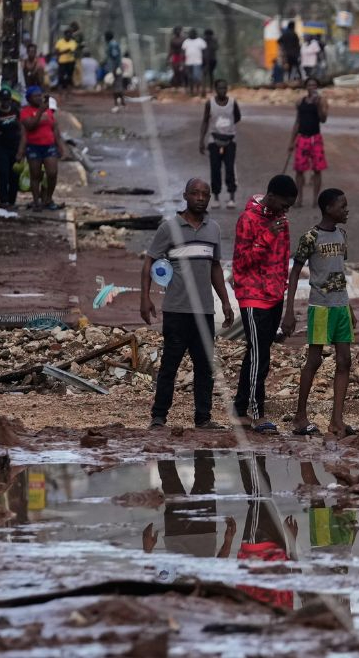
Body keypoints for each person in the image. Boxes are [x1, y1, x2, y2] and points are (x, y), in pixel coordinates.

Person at [141, 178, 234, 430]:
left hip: (204, 311)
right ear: (185, 196)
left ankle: (203, 418)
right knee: (169, 366)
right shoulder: (169, 228)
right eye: (195, 193)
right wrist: (144, 297)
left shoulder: (213, 229)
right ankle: (159, 417)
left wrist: (226, 301)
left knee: (204, 367)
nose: (200, 198)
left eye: (205, 194)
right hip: (176, 310)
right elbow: (149, 262)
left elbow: (215, 267)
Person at [282, 188, 356, 437]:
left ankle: (337, 421)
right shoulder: (310, 238)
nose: (346, 210)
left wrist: (349, 308)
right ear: (328, 208)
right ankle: (300, 417)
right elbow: (295, 273)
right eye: (342, 206)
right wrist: (289, 310)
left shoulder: (342, 235)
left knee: (345, 361)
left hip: (341, 306)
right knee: (314, 360)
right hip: (321, 307)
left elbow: (339, 274)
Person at [231, 175, 297, 435]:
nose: (286, 210)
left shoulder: (281, 220)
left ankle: (240, 409)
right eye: (284, 204)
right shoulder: (248, 220)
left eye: (289, 206)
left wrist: (283, 294)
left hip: (274, 296)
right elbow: (241, 262)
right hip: (252, 295)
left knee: (258, 353)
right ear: (270, 196)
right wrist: (268, 235)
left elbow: (283, 259)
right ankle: (256, 413)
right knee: (260, 356)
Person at [17, 86, 67, 210]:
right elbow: (30, 126)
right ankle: (36, 201)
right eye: (36, 96)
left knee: (52, 173)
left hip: (49, 146)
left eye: (40, 95)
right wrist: (39, 112)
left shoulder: (48, 111)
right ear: (29, 98)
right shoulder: (25, 112)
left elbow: (55, 129)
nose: (39, 98)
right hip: (33, 146)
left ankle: (48, 199)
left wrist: (61, 147)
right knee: (36, 175)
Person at [199, 79, 241, 208]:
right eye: (220, 88)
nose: (223, 90)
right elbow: (205, 121)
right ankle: (216, 197)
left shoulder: (233, 103)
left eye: (224, 88)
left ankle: (231, 197)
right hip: (214, 140)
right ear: (215, 89)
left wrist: (227, 126)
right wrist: (201, 140)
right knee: (215, 169)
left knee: (230, 169)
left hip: (230, 140)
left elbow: (237, 117)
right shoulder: (210, 103)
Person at [289, 78, 329, 209]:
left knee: (317, 169)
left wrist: (318, 106)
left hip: (315, 139)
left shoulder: (321, 101)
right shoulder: (301, 102)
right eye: (310, 85)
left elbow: (323, 119)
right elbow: (297, 122)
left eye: (314, 85)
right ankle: (299, 199)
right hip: (302, 138)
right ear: (306, 87)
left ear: (317, 87)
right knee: (299, 170)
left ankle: (315, 200)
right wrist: (291, 141)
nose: (312, 87)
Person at [0, 89, 22, 209]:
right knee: (3, 172)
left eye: (8, 100)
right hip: (0, 147)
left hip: (14, 146)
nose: (6, 102)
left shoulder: (15, 111)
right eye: (4, 100)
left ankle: (12, 201)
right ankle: (4, 200)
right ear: (0, 100)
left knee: (14, 174)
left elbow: (21, 128)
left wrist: (22, 148)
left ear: (10, 100)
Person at [182, 28, 208, 96]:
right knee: (190, 77)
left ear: (195, 34)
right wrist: (182, 62)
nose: (191, 34)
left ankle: (198, 89)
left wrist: (205, 62)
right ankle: (191, 91)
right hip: (188, 62)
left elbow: (204, 52)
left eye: (192, 33)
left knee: (197, 77)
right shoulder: (186, 41)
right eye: (190, 33)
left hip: (198, 62)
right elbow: (183, 52)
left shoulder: (200, 41)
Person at [104, 31, 125, 110]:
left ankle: (117, 105)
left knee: (116, 86)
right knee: (118, 86)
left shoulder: (112, 45)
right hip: (116, 67)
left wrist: (115, 68)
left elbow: (115, 56)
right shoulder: (114, 44)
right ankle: (122, 103)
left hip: (115, 68)